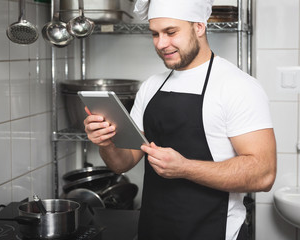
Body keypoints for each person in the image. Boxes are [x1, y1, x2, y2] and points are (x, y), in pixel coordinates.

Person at [83, 0, 277, 239]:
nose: (161, 44)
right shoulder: (151, 86)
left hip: (216, 232)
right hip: (154, 229)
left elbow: (264, 174)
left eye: (171, 32)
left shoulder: (238, 87)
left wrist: (184, 168)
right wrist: (107, 143)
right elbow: (123, 162)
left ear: (199, 27)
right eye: (155, 34)